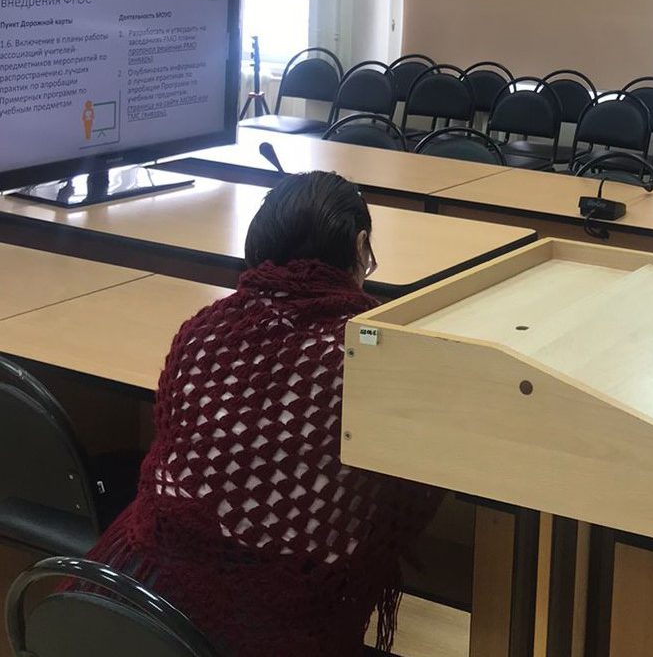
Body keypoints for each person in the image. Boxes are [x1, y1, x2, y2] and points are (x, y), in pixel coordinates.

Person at [86, 171, 442, 657]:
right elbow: (408, 493)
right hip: (282, 623)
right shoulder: (367, 359)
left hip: (151, 603)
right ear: (360, 248)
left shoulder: (203, 331)